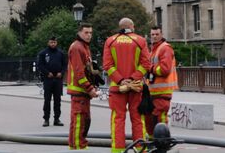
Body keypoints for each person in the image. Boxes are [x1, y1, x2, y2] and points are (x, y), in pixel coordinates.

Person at [103, 18, 151, 153]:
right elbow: (146, 64)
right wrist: (132, 79)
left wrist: (120, 80)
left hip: (117, 88)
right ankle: (140, 149)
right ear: (131, 26)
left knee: (118, 119)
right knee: (137, 119)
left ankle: (118, 150)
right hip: (135, 87)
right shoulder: (140, 41)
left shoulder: (110, 41)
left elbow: (107, 65)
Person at [66, 23, 99, 149]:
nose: (89, 35)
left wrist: (93, 84)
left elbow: (87, 70)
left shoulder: (84, 47)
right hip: (79, 91)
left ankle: (77, 145)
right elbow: (79, 72)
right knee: (79, 120)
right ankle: (77, 147)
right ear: (79, 33)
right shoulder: (77, 47)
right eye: (86, 32)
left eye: (91, 33)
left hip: (83, 91)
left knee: (84, 120)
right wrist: (90, 88)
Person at [145, 26, 178, 138]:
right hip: (153, 92)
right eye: (152, 34)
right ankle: (152, 143)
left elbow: (164, 69)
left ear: (161, 34)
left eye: (157, 34)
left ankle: (162, 144)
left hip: (162, 92)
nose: (154, 36)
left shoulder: (165, 48)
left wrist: (150, 68)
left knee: (159, 120)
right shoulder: (153, 49)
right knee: (150, 120)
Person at [36, 35, 67, 126]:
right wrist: (47, 73)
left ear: (56, 43)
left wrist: (61, 72)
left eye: (54, 42)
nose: (53, 44)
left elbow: (65, 65)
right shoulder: (43, 53)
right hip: (48, 79)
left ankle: (57, 119)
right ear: (48, 43)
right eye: (51, 42)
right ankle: (46, 119)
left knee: (58, 100)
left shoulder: (61, 53)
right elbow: (40, 65)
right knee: (47, 100)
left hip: (58, 79)